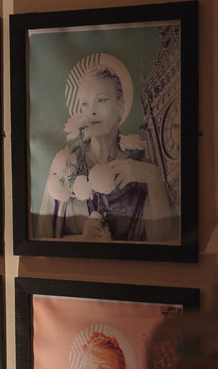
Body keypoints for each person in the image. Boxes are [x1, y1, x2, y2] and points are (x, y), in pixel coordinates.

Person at [35, 59, 176, 242]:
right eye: (85, 103)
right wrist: (82, 240)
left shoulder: (140, 163)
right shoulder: (66, 164)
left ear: (120, 106)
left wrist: (152, 176)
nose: (92, 111)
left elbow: (163, 240)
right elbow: (42, 241)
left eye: (101, 100)